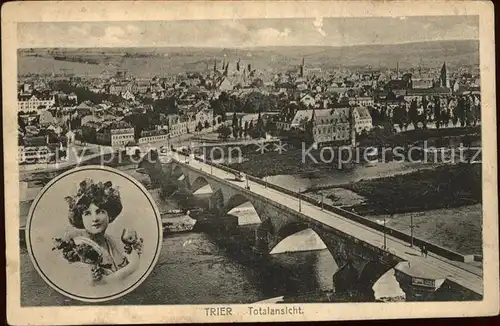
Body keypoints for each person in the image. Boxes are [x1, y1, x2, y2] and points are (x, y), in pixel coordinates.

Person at [54, 178, 142, 285]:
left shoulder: (113, 242)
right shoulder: (76, 249)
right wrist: (133, 265)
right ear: (80, 218)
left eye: (100, 212)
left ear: (109, 215)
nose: (94, 219)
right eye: (87, 214)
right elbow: (101, 286)